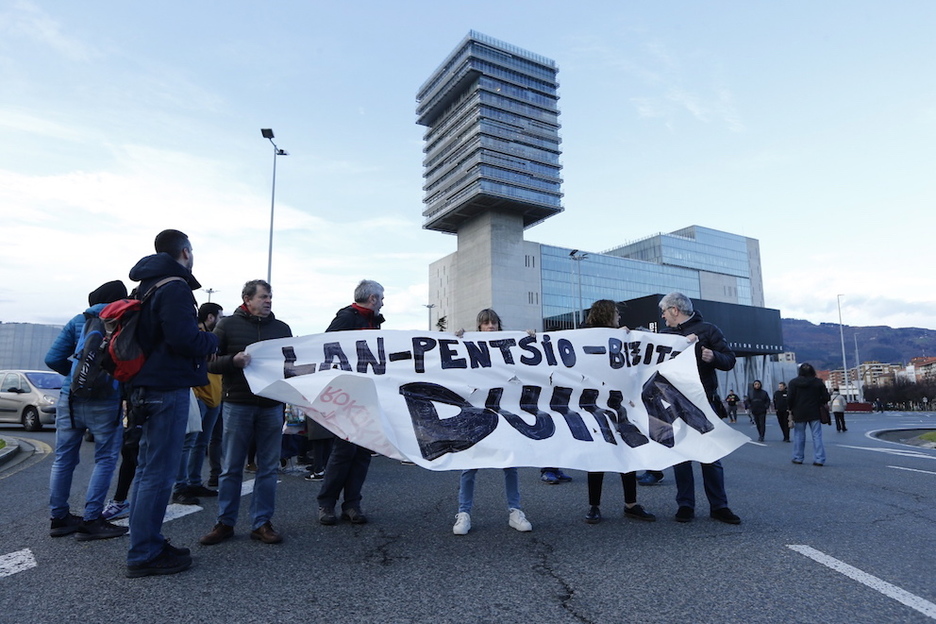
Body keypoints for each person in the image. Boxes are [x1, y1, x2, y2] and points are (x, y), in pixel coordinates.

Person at [125, 229, 219, 578]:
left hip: (146, 384)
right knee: (160, 474)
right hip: (166, 386)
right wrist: (210, 339)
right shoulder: (175, 286)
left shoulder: (147, 284)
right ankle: (144, 553)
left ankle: (146, 542)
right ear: (184, 251)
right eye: (191, 251)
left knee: (149, 471)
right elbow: (183, 338)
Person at [200, 280, 292, 546]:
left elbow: (291, 364)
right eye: (264, 297)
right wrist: (233, 361)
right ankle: (224, 522)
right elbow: (209, 362)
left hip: (271, 405)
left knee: (268, 467)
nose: (269, 301)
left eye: (271, 297)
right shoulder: (226, 325)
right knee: (231, 467)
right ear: (247, 299)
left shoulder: (281, 328)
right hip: (238, 403)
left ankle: (261, 523)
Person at [45, 280, 130, 541]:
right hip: (106, 398)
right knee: (105, 459)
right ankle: (92, 519)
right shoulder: (124, 319)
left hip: (71, 397)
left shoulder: (79, 320)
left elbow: (52, 358)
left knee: (63, 459)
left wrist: (74, 376)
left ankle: (59, 518)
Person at [659, 292, 741, 525]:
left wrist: (713, 356)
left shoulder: (709, 330)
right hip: (675, 402)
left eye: (664, 311)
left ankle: (719, 506)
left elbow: (730, 359)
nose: (663, 317)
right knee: (682, 455)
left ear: (675, 310)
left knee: (710, 455)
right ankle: (685, 505)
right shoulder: (664, 336)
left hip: (705, 402)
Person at [452, 308, 532, 535]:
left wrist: (527, 339)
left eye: (494, 323)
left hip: (503, 411)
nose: (490, 327)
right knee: (469, 464)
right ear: (479, 327)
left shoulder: (509, 346)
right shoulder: (469, 345)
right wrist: (455, 339)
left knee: (510, 463)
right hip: (477, 413)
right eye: (486, 323)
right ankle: (463, 512)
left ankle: (515, 511)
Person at [317, 280, 385, 526]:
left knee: (363, 452)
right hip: (347, 396)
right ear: (373, 299)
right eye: (382, 298)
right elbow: (325, 347)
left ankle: (352, 504)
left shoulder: (374, 322)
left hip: (367, 394)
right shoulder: (347, 318)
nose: (384, 302)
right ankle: (327, 503)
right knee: (344, 451)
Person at [581, 300, 655, 525]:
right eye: (615, 314)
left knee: (626, 451)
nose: (619, 318)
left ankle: (630, 504)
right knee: (598, 456)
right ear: (605, 314)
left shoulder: (622, 336)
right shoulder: (584, 336)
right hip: (594, 404)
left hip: (619, 404)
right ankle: (594, 506)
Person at [173, 302, 224, 505]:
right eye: (219, 317)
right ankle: (180, 486)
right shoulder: (195, 337)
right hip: (198, 395)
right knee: (188, 443)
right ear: (210, 317)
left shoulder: (212, 340)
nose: (220, 321)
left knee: (201, 442)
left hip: (213, 396)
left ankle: (194, 482)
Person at [788, 363, 830, 466]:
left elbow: (790, 398)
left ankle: (798, 458)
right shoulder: (818, 382)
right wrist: (818, 401)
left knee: (799, 435)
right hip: (815, 411)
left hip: (799, 411)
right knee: (817, 436)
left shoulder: (793, 382)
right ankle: (819, 459)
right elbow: (826, 397)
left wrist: (790, 409)